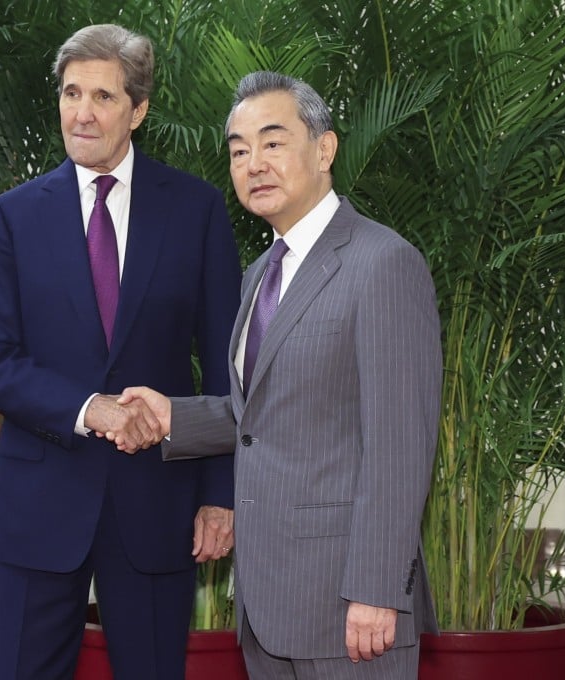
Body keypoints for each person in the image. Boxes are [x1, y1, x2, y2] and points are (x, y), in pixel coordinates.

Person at [112, 71, 442, 679]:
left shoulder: (383, 264)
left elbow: (400, 445)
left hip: (350, 608)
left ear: (325, 149)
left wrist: (375, 589)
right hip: (269, 601)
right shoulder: (261, 272)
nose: (253, 163)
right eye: (238, 151)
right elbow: (260, 415)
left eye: (272, 142)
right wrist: (171, 418)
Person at [0, 24, 242, 680]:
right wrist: (92, 409)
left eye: (103, 97)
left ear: (138, 110)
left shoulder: (195, 211)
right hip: (43, 503)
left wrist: (220, 494)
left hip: (158, 504)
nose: (81, 112)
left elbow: (232, 366)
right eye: (70, 93)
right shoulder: (16, 215)